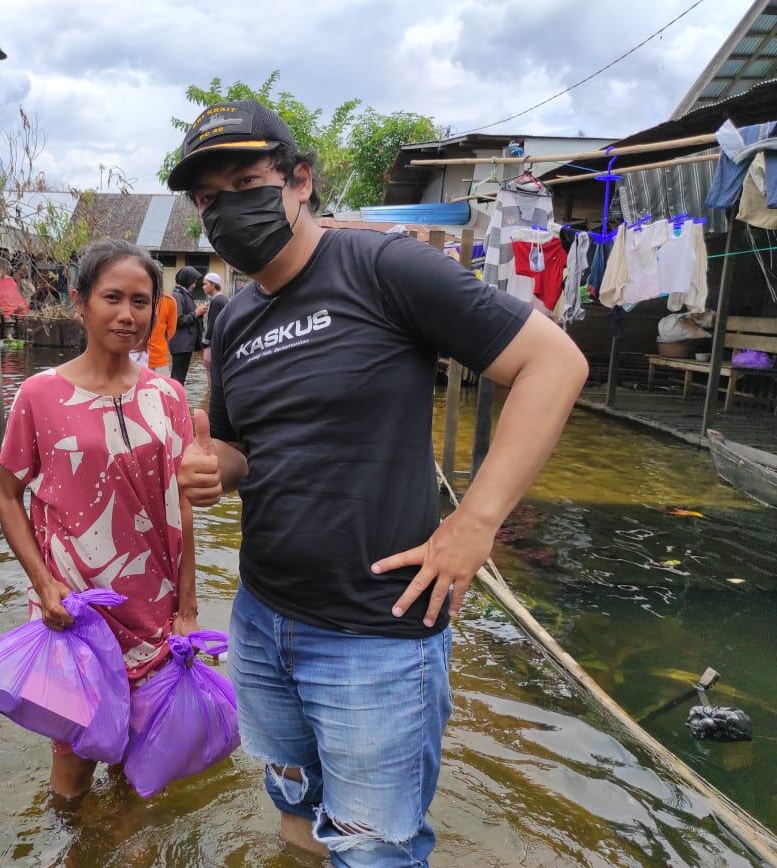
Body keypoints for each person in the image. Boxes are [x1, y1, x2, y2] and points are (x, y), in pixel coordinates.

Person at [167, 99, 588, 866]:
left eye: (247, 182)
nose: (227, 211)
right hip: (263, 620)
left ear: (300, 180)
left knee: (374, 849)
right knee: (293, 803)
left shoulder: (383, 267)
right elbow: (237, 450)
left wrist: (475, 523)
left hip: (376, 633)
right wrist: (213, 471)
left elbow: (554, 364)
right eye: (208, 200)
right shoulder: (231, 319)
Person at [0, 239, 199, 800]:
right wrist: (44, 585)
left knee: (141, 760)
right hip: (75, 609)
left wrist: (188, 608)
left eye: (141, 301)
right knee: (75, 761)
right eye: (112, 297)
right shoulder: (39, 395)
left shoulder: (169, 396)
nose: (127, 314)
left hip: (153, 611)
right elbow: (8, 494)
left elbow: (180, 509)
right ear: (80, 302)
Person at [168, 265, 201, 384]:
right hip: (180, 344)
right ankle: (174, 401)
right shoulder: (178, 295)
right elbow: (178, 320)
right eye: (193, 282)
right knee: (178, 377)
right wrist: (196, 313)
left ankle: (176, 400)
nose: (195, 285)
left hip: (184, 344)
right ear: (187, 280)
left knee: (179, 376)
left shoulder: (184, 294)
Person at [145, 284, 178, 376]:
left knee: (162, 388)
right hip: (133, 358)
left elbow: (170, 332)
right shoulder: (133, 298)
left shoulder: (169, 301)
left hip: (159, 359)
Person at [199, 271, 227, 371]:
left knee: (210, 371)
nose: (203, 287)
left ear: (214, 285)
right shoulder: (223, 299)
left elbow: (212, 326)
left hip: (213, 346)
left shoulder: (216, 301)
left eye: (205, 284)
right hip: (221, 345)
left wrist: (206, 346)